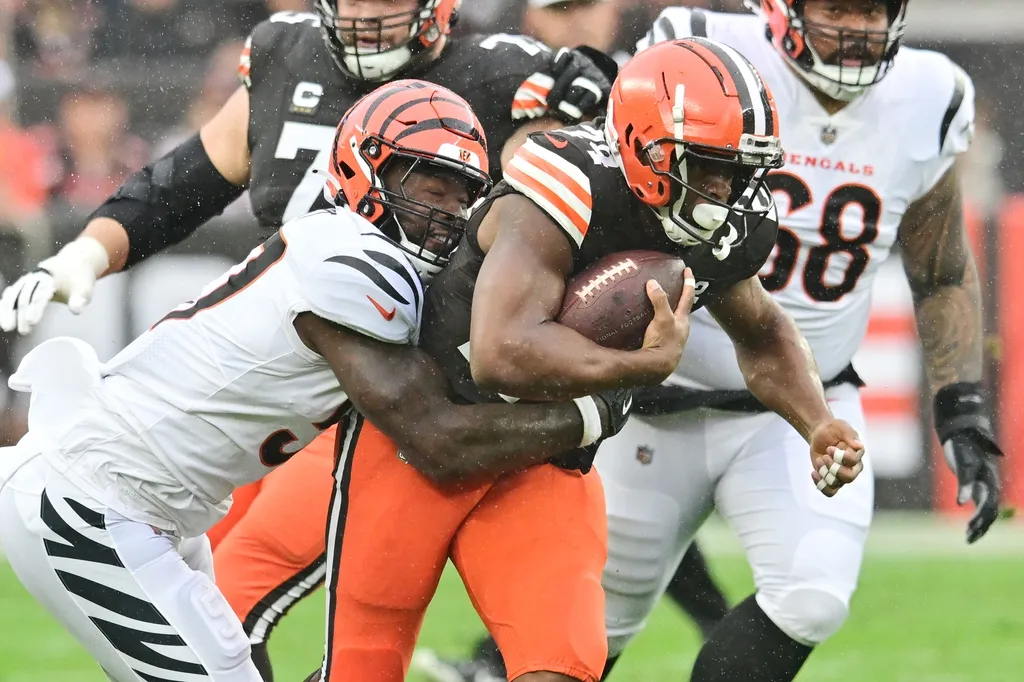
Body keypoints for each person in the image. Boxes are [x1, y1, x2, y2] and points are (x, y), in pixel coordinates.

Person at [0, 3, 613, 680]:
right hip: (100, 498)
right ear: (354, 174)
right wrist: (592, 405)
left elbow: (578, 199)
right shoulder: (353, 265)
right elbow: (436, 436)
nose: (444, 211)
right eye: (425, 185)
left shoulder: (502, 77)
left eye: (458, 192)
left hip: (163, 503)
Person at [438, 2, 1006, 681]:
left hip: (789, 403)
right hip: (646, 405)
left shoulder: (920, 100)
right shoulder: (692, 49)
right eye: (836, 6)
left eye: (873, 9)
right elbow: (601, 171)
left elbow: (925, 274)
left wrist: (947, 405)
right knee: (585, 637)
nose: (855, 26)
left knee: (813, 596)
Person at [320, 37, 865, 682]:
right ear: (646, 148)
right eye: (711, 167)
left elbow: (763, 330)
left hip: (544, 453)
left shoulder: (724, 220)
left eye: (741, 172)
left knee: (563, 665)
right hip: (416, 437)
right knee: (351, 661)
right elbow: (501, 353)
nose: (727, 191)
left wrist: (816, 421)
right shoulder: (565, 182)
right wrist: (639, 369)